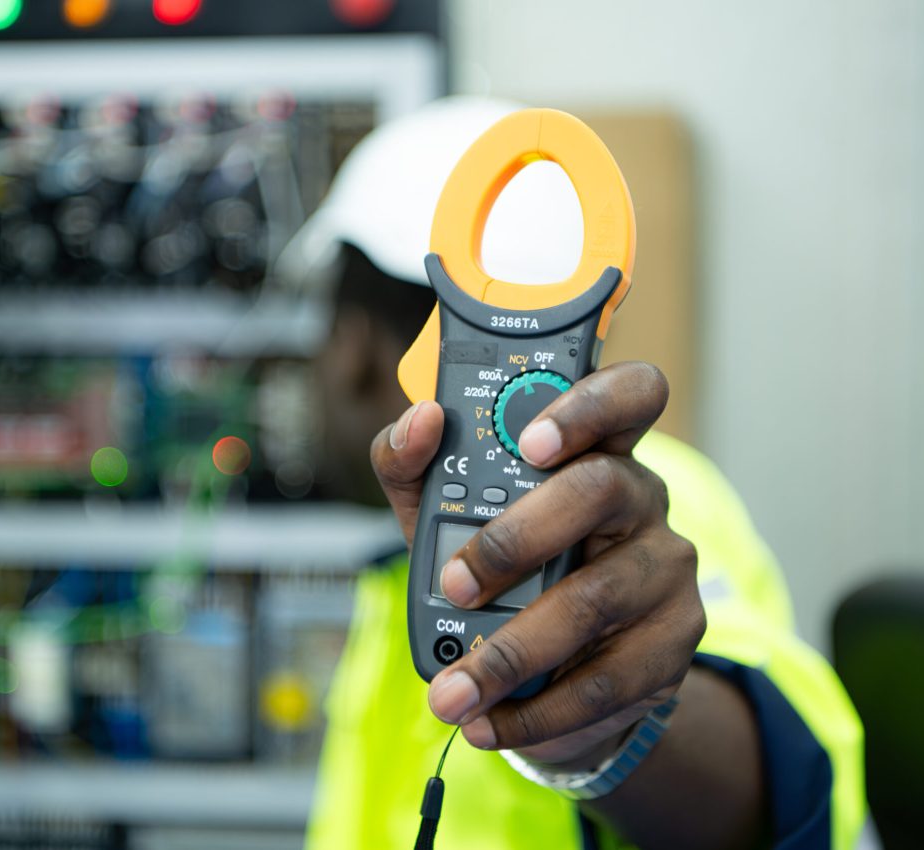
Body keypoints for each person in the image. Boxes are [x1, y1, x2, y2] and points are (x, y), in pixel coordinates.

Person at [281, 98, 866, 850]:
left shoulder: (632, 511)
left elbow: (786, 785)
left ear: (353, 343)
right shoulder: (411, 556)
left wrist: (609, 737)